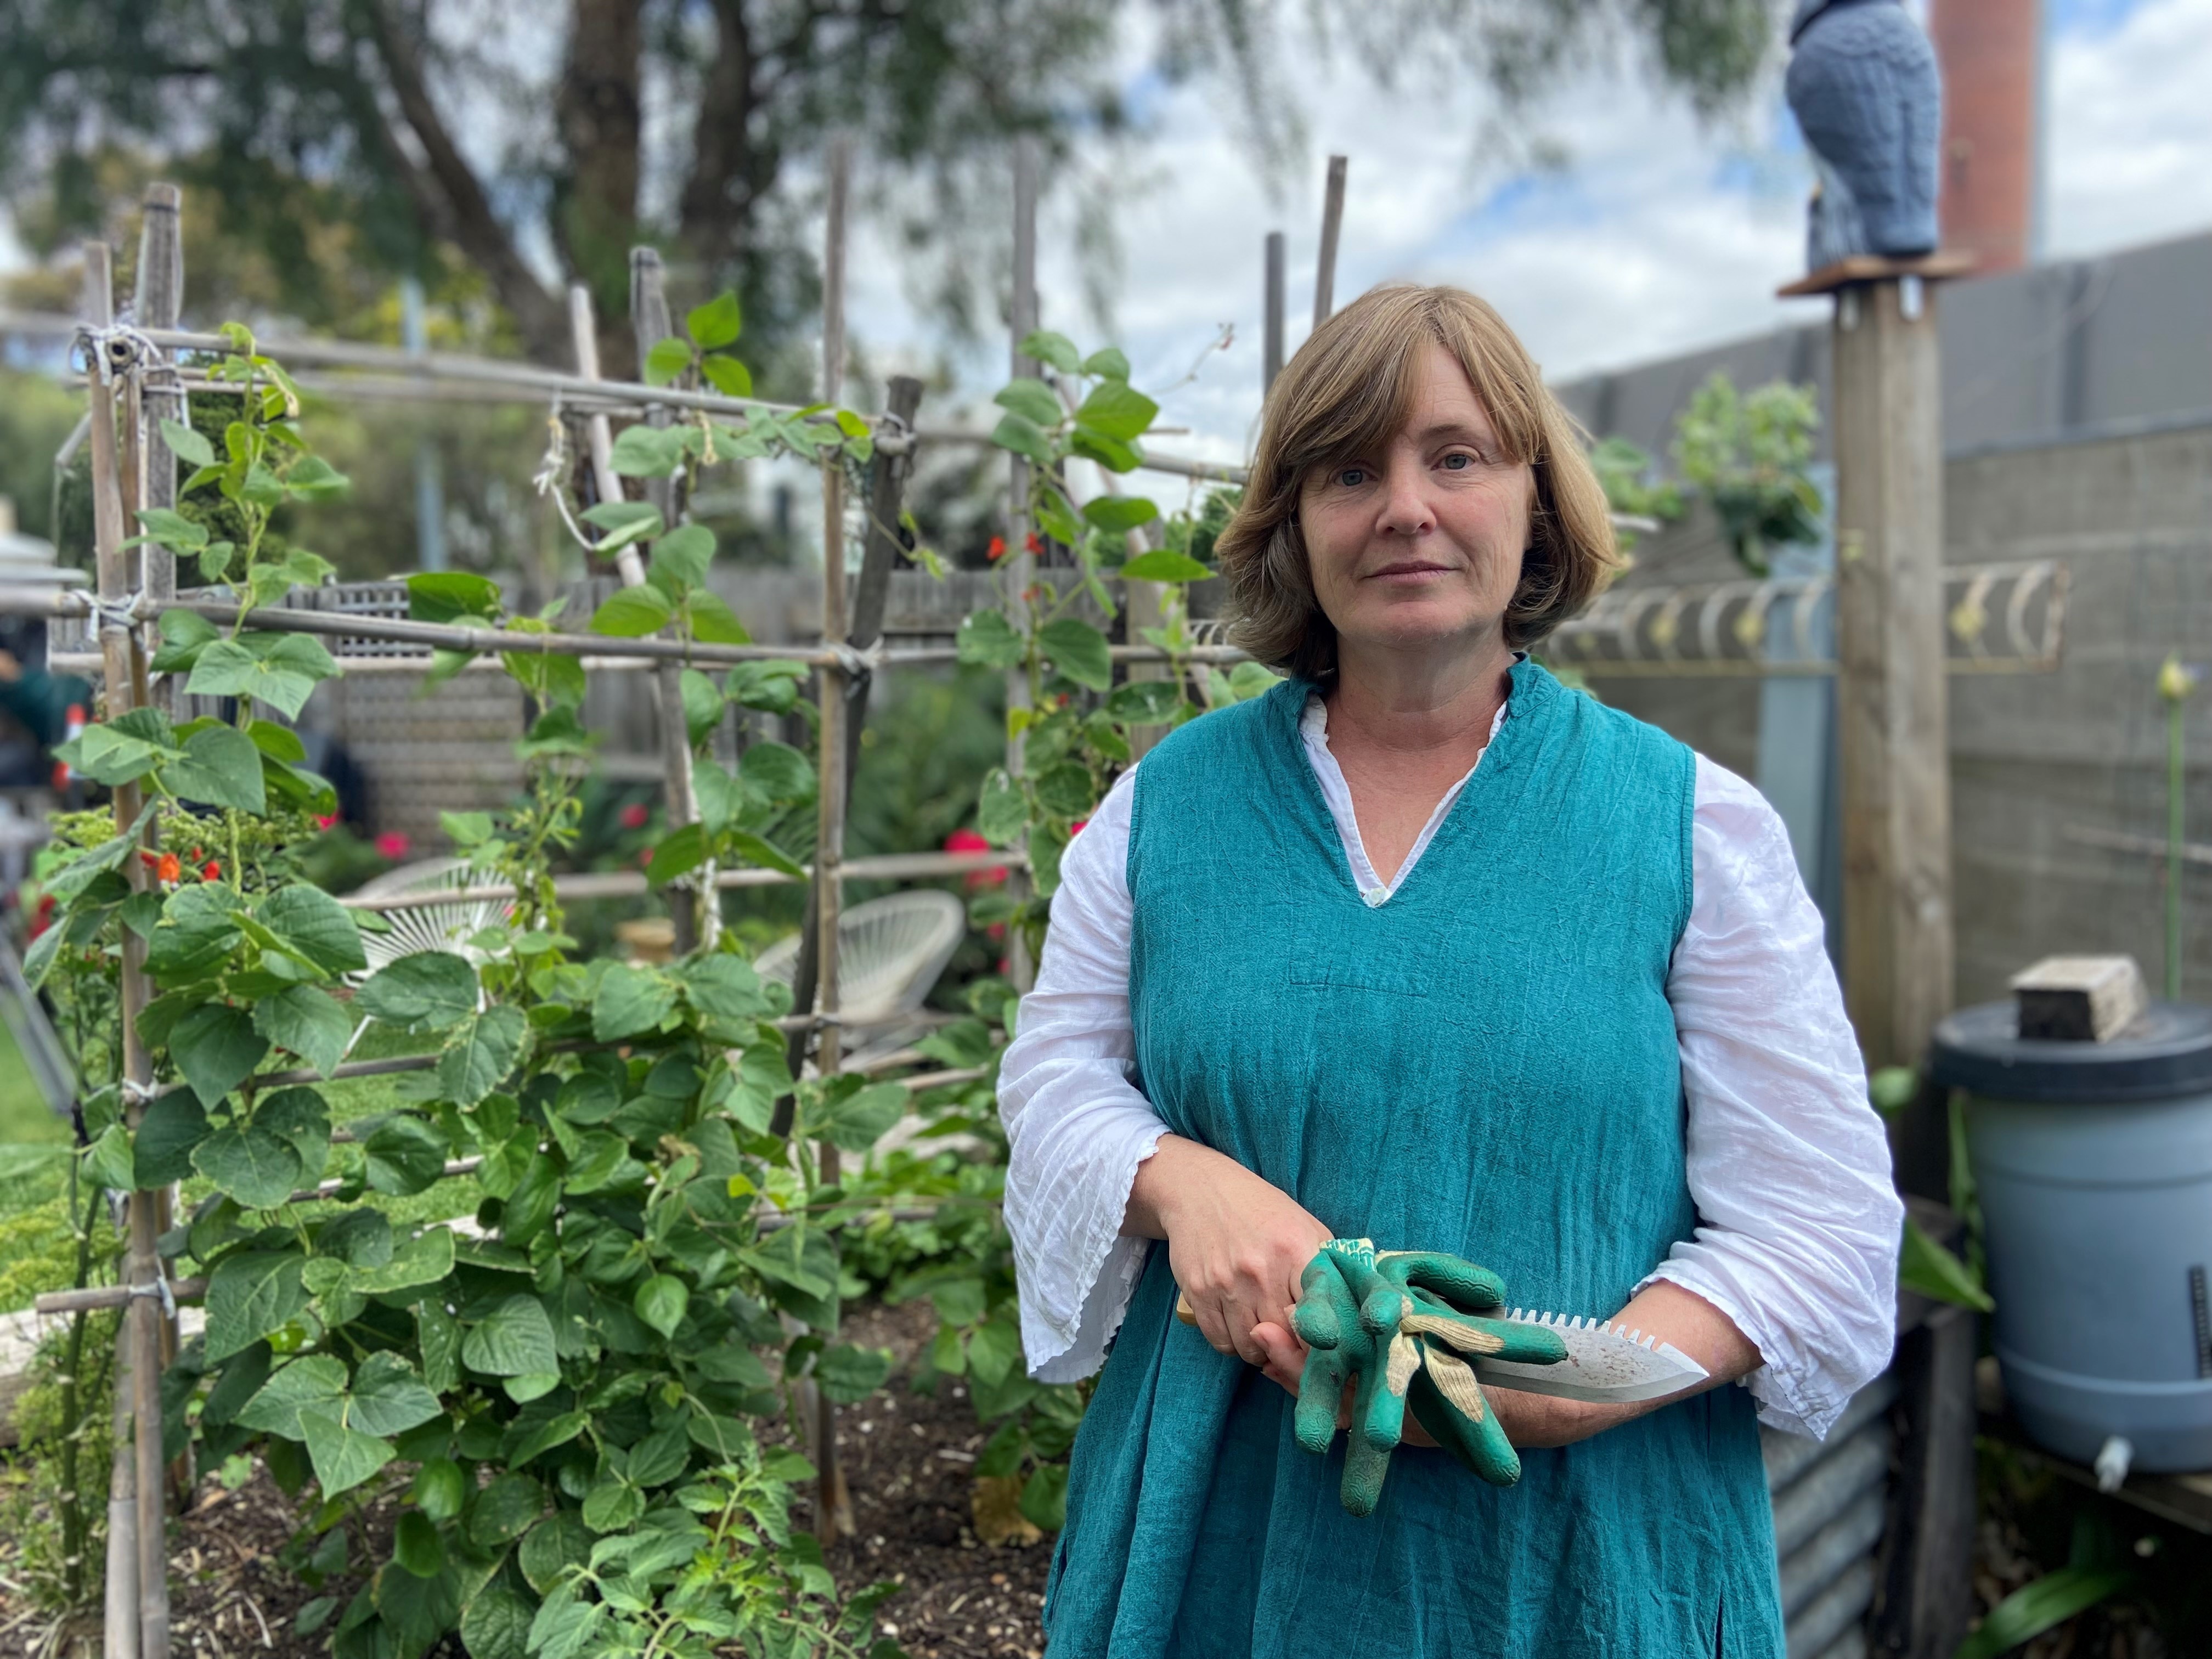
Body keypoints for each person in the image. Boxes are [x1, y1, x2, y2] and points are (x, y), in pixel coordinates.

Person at [996, 284, 1902, 1657]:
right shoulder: (1163, 809)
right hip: (1221, 1543)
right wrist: (1186, 1187)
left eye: (1456, 456)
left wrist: (1569, 1385)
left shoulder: (1688, 827)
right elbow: (1055, 1076)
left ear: (1535, 500)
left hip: (1577, 1550)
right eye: (1351, 469)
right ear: (1294, 521)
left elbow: (1822, 1226)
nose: (1405, 506)